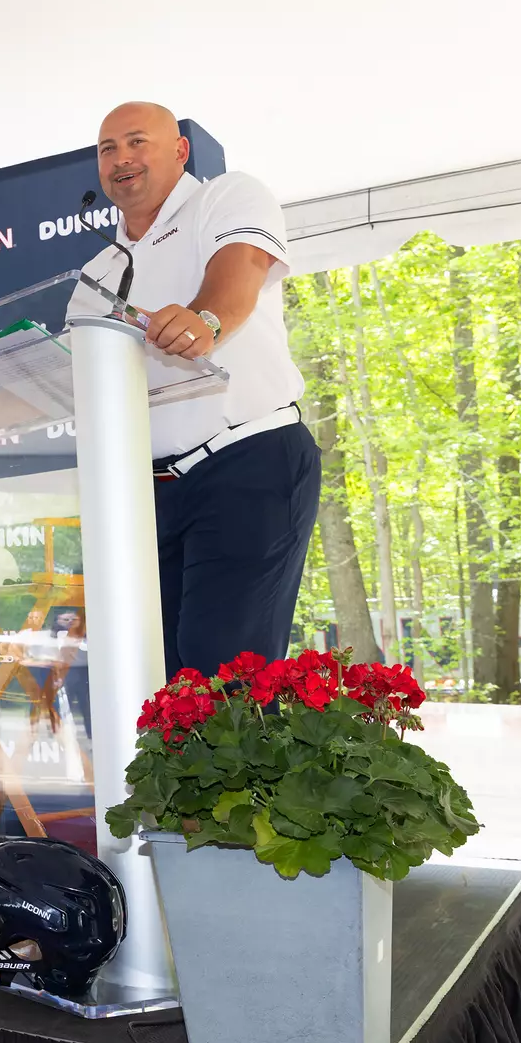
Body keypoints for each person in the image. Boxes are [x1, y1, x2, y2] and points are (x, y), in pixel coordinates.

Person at [80, 101, 320, 677]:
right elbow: (75, 377)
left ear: (180, 150)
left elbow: (238, 273)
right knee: (157, 675)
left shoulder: (225, 196)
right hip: (147, 492)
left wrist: (204, 320)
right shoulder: (95, 275)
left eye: (136, 142)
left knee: (224, 671)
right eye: (108, 149)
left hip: (245, 461)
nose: (121, 158)